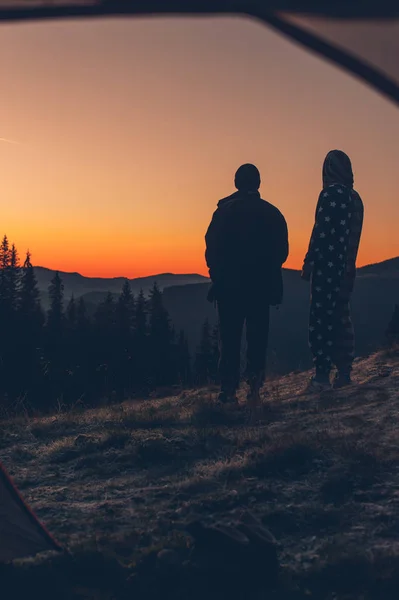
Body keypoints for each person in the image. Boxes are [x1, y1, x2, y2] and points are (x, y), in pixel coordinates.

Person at [205, 164, 289, 406]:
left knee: (229, 339)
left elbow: (211, 248)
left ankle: (227, 390)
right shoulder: (273, 213)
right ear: (258, 183)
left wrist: (217, 276)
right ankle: (254, 388)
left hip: (229, 287)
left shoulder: (223, 212)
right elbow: (282, 252)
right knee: (257, 337)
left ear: (236, 183)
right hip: (261, 288)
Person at [301, 150, 364, 391]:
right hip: (347, 268)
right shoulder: (355, 198)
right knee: (341, 316)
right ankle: (344, 372)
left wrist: (309, 260)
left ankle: (321, 375)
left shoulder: (330, 194)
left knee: (321, 318)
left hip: (327, 266)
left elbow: (321, 230)